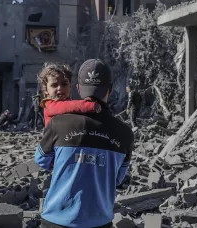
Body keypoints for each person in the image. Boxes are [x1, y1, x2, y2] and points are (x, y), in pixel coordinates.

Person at [35, 59, 134, 228]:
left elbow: (41, 160)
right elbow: (118, 178)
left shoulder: (58, 123)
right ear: (110, 90)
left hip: (56, 220)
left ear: (78, 89)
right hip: (99, 221)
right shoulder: (126, 134)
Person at [37, 63, 101, 128]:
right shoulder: (50, 105)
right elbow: (68, 106)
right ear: (45, 89)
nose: (60, 88)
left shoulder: (69, 102)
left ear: (70, 85)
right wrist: (90, 105)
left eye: (64, 84)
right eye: (54, 85)